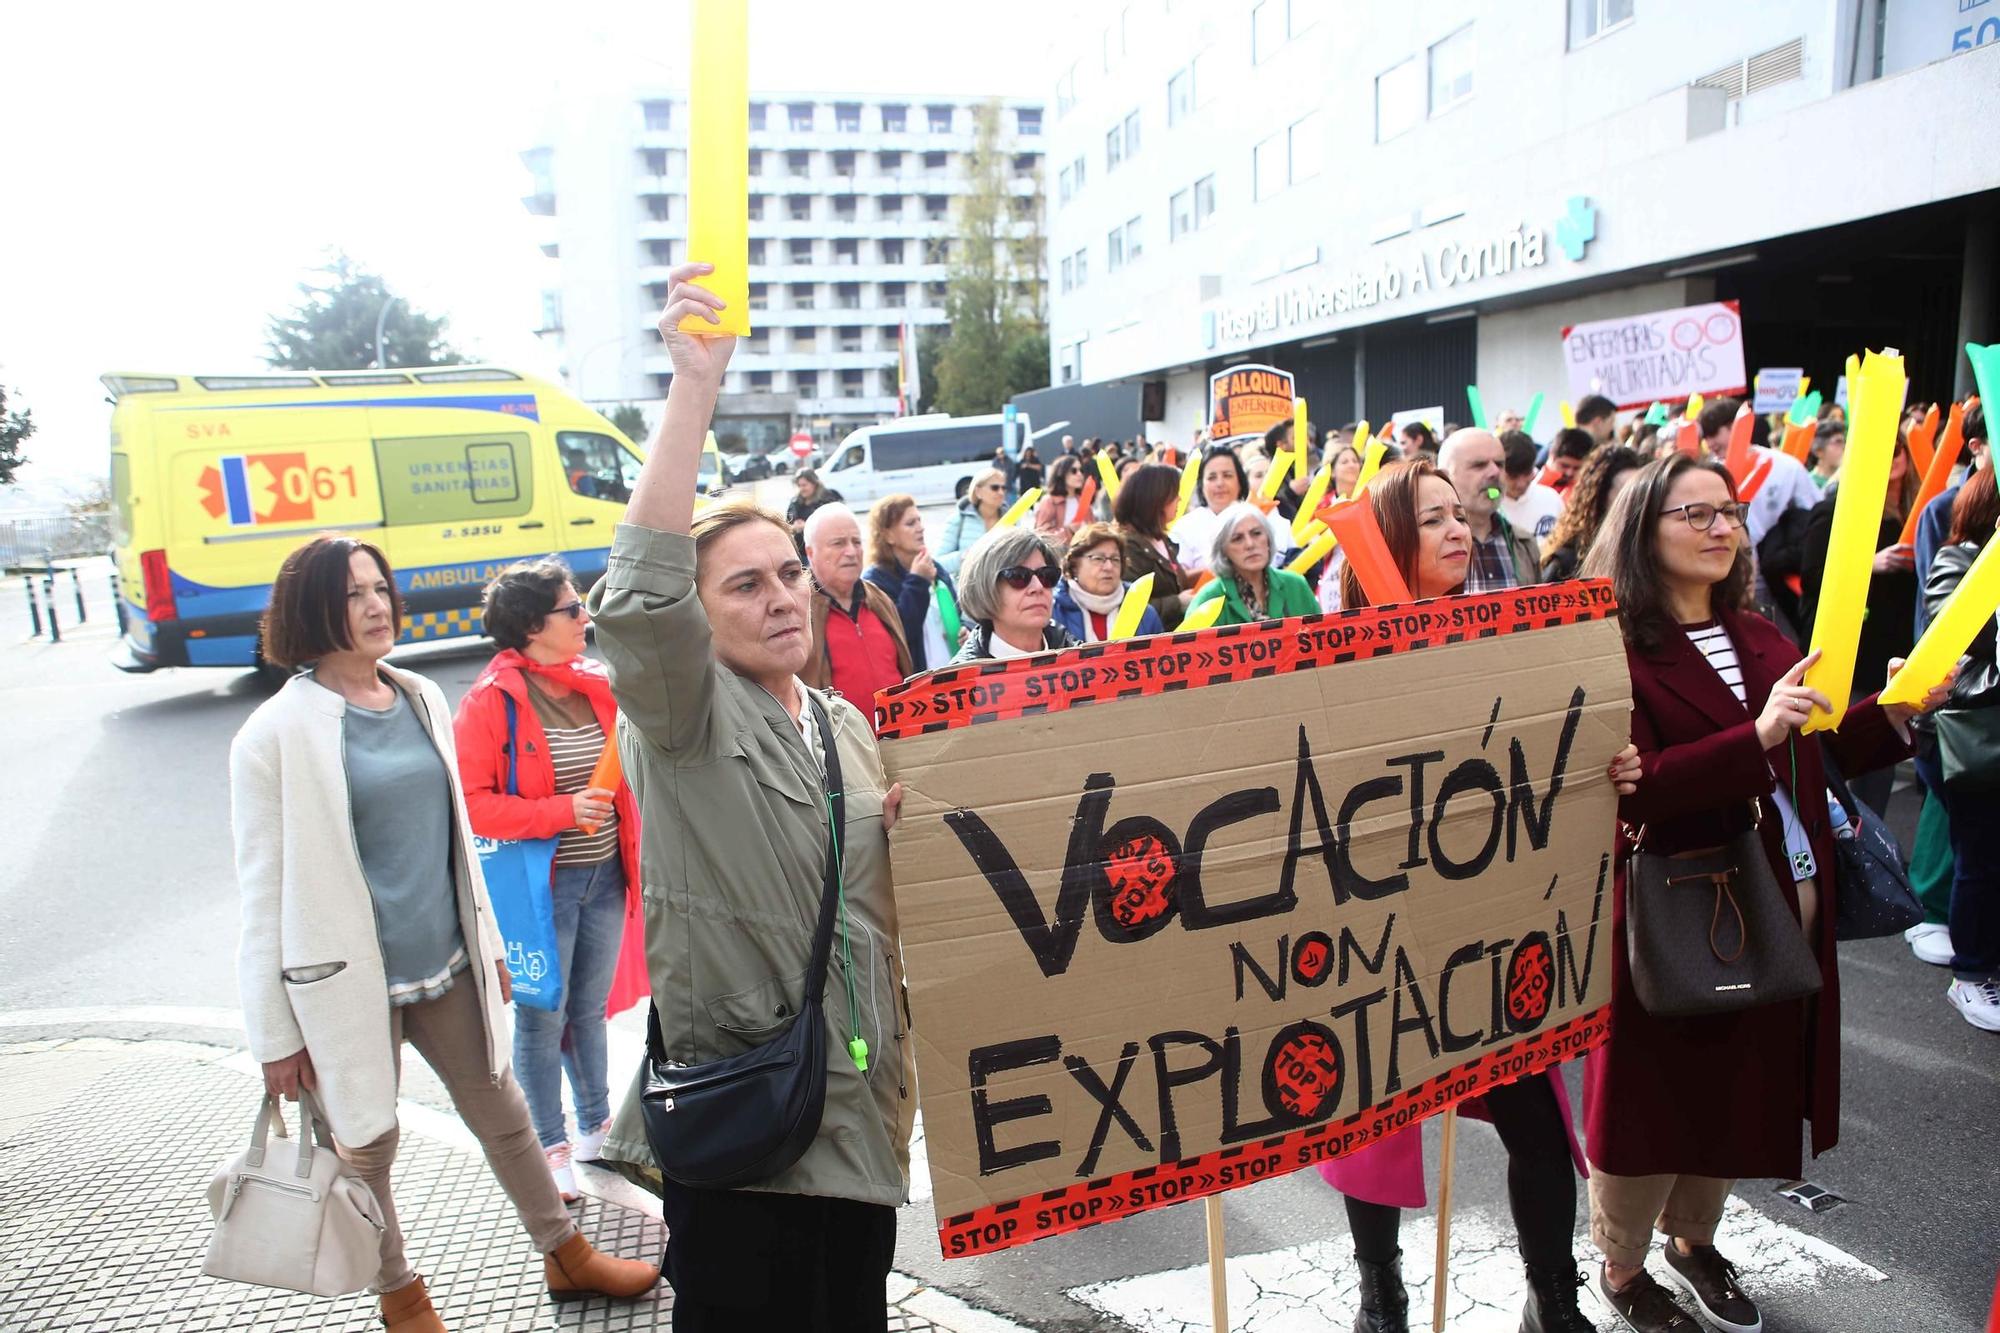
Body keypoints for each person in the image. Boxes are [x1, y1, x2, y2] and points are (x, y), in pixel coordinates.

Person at [588, 262, 913, 1330]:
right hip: (752, 1130)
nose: (780, 597)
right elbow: (637, 594)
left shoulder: (842, 725)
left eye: (786, 574)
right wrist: (693, 390)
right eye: (744, 583)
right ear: (699, 609)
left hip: (857, 1119)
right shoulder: (681, 714)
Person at [231, 537, 657, 1333]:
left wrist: (491, 946)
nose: (375, 604)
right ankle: (400, 1295)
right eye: (353, 593)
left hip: (447, 961)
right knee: (367, 1143)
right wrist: (275, 1033)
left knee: (501, 1108)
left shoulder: (419, 694)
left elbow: (464, 841)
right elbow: (262, 894)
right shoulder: (273, 734)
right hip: (345, 978)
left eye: (379, 588)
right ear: (312, 610)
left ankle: (565, 1252)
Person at [1578, 454, 1948, 1333]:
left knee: (1739, 1084)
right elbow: (1632, 787)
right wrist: (1756, 733)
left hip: (1783, 899)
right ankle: (1623, 1266)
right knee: (1653, 1093)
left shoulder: (1763, 634)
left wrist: (1893, 713)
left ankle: (1693, 1240)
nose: (1720, 529)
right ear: (1643, 530)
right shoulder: (1613, 644)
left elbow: (1809, 752)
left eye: (1729, 512)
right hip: (1677, 906)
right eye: (1694, 514)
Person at [1326, 459, 1634, 1333]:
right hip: (1386, 930)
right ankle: (1380, 1291)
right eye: (1432, 520)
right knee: (1377, 1121)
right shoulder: (1330, 655)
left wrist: (1612, 761)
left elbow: (1555, 746)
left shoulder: (1503, 634)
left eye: (1461, 515)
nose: (1459, 530)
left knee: (1535, 1118)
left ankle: (1554, 1294)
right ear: (1388, 539)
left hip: (1495, 928)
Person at [455, 559, 648, 1203]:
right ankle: (549, 1145)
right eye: (572, 609)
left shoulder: (595, 683)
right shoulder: (490, 701)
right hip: (544, 888)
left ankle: (596, 1127)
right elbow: (473, 805)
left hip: (605, 873)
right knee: (543, 1017)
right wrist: (562, 812)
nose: (584, 616)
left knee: (588, 1012)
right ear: (534, 625)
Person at [1913, 463, 2000, 1030]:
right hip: (1974, 738)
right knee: (1983, 859)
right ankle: (1971, 975)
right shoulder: (1959, 560)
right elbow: (1953, 644)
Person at [1798, 436, 1919, 814]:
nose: (1894, 455)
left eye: (1899, 447)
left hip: (1895, 646)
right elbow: (1813, 578)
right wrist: (1873, 563)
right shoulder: (1836, 510)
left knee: (1880, 757)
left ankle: (1871, 845)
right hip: (1850, 651)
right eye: (1884, 447)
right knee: (1843, 752)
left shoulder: (1918, 509)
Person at [801, 503, 914, 722]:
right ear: (810, 552)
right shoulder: (798, 610)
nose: (851, 552)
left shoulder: (880, 599)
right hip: (841, 749)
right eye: (838, 543)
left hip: (897, 742)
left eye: (856, 542)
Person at [948, 526, 1078, 662]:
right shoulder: (960, 680)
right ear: (984, 587)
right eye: (1019, 576)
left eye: (1046, 575)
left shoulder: (1083, 662)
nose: (1038, 587)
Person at [864, 492, 961, 672]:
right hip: (918, 686)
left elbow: (960, 613)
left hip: (955, 678)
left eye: (919, 521)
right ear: (888, 536)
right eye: (910, 523)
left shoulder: (935, 568)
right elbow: (902, 633)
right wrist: (918, 582)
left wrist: (966, 631)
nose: (920, 528)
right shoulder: (876, 580)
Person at [1438, 428, 1543, 591]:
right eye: (1479, 465)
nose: (1495, 472)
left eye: (1500, 464)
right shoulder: (1427, 547)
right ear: (1445, 477)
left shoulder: (1524, 543)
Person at [1185, 502, 1320, 626]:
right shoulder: (1207, 599)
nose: (1250, 544)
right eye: (1237, 538)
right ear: (1223, 550)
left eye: (1256, 533)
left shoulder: (1296, 585)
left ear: (1268, 539)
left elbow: (1322, 640)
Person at [1172, 445, 1289, 573]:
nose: (1220, 483)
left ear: (1240, 481)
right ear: (1201, 485)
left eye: (1227, 475)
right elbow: (1179, 578)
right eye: (1212, 477)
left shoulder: (1266, 516)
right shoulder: (1185, 527)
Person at [1540, 445, 1644, 581]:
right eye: (1625, 495)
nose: (1636, 504)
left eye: (1641, 494)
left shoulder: (1649, 554)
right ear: (1600, 497)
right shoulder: (1566, 564)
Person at [1114, 462, 1192, 631]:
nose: (1180, 499)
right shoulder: (1127, 546)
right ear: (1156, 498)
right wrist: (1177, 602)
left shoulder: (1160, 539)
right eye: (1174, 494)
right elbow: (1129, 606)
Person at [1053, 522, 1164, 641]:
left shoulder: (1144, 613)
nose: (1109, 567)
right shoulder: (1054, 612)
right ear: (1074, 564)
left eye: (1115, 559)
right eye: (1098, 558)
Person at [1499, 430, 1566, 545]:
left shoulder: (1551, 498)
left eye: (1527, 474)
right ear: (1498, 469)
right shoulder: (1487, 506)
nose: (1520, 484)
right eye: (1512, 476)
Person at [937, 468, 1008, 575]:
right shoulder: (958, 520)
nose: (1001, 492)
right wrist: (962, 557)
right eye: (995, 488)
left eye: (1004, 488)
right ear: (978, 492)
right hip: (968, 589)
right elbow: (936, 564)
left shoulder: (1013, 521)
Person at [1033, 453, 1087, 549]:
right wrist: (1069, 530)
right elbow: (1040, 536)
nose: (1079, 474)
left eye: (1081, 470)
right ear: (1061, 473)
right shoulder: (1049, 501)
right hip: (1059, 557)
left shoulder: (1083, 501)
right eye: (1074, 471)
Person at [785, 468, 842, 539]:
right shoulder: (795, 502)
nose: (801, 489)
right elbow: (786, 526)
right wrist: (794, 528)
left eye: (804, 485)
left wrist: (807, 526)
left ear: (814, 484)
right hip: (800, 546)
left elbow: (835, 525)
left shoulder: (827, 500)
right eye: (799, 486)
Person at [1808, 420, 1846, 489]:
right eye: (1838, 442)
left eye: (1844, 442)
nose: (1844, 447)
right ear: (1819, 451)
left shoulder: (1846, 480)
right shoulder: (1809, 483)